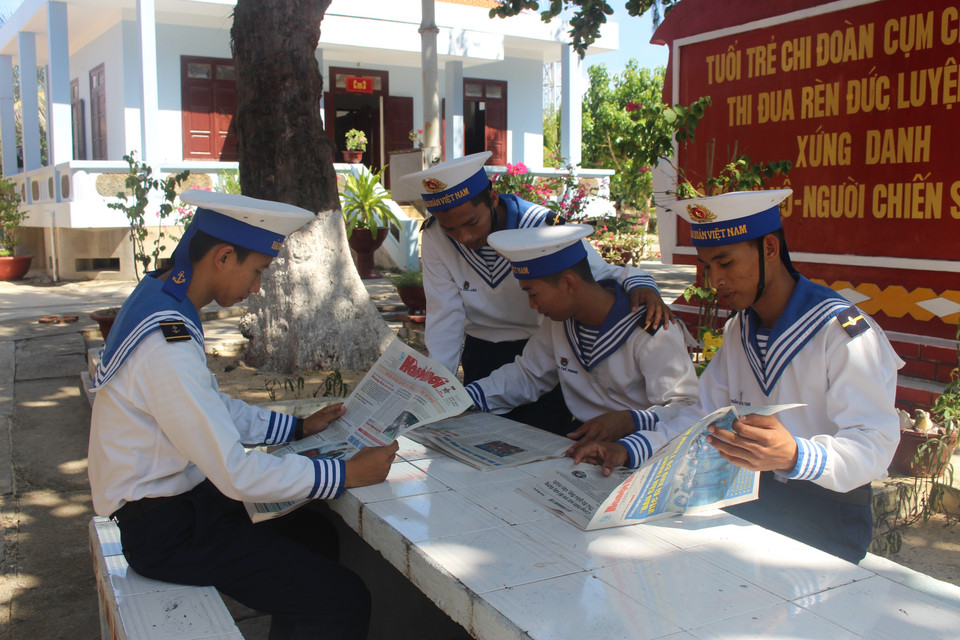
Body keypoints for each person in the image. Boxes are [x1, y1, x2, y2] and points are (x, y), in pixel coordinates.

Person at [87, 190, 399, 640]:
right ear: (224, 256)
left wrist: (295, 426)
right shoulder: (165, 344)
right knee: (343, 599)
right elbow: (235, 473)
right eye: (257, 271)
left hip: (185, 504)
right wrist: (345, 473)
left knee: (316, 535)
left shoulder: (163, 297)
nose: (256, 287)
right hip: (167, 531)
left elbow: (208, 406)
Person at [570, 189, 903, 564]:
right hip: (753, 499)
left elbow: (875, 444)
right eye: (707, 266)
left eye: (725, 263)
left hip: (826, 512)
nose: (715, 281)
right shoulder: (739, 329)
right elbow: (703, 416)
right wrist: (630, 449)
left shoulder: (840, 331)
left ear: (771, 249)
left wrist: (796, 454)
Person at [399, 151, 672, 431]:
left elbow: (595, 276)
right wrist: (436, 393)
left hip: (543, 347)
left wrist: (641, 284)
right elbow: (445, 316)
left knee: (543, 431)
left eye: (471, 223)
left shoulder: (541, 226)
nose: (464, 237)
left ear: (492, 199)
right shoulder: (435, 236)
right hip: (482, 353)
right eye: (450, 229)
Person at [463, 224, 698, 435]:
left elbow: (684, 406)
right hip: (581, 439)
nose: (532, 306)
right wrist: (463, 398)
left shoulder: (651, 329)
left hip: (643, 447)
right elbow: (528, 375)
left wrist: (631, 422)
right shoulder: (558, 323)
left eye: (533, 294)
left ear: (568, 283)